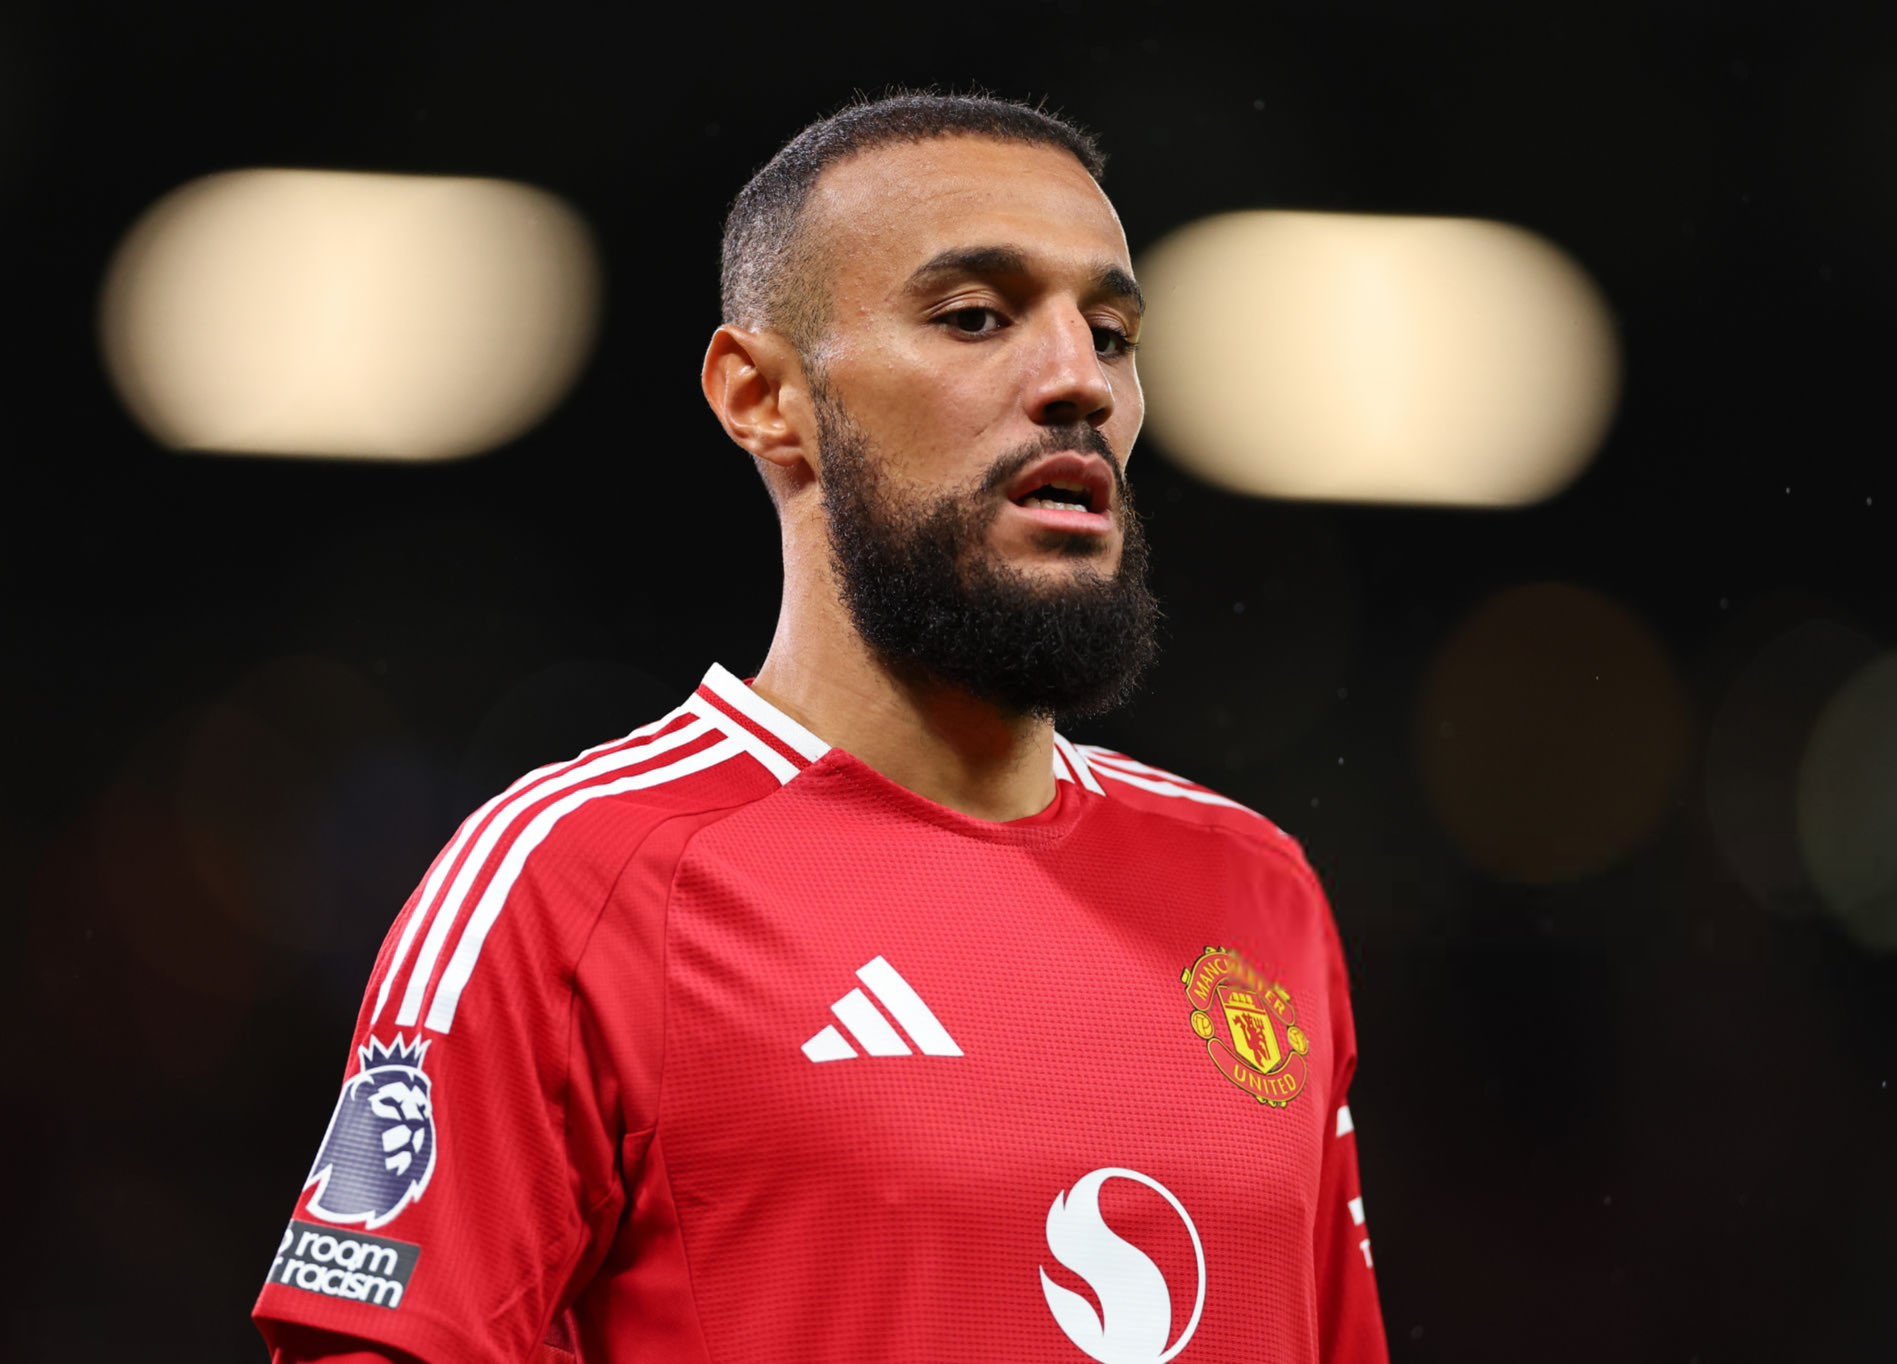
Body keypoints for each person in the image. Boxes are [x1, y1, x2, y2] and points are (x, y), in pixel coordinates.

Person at [253, 91, 1389, 1364]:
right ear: (763, 397)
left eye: (1111, 333)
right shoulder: (572, 881)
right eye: (976, 317)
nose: (1078, 379)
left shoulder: (1257, 891)